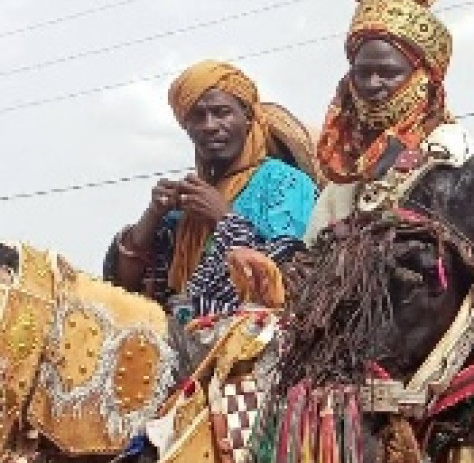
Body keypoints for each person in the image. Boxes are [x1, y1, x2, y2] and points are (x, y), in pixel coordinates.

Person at [105, 61, 319, 319]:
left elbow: (286, 275)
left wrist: (224, 218)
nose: (209, 125)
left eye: (222, 112)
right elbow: (124, 286)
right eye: (197, 116)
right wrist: (153, 215)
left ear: (248, 117)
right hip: (184, 348)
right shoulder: (188, 201)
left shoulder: (287, 183)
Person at [305, 0, 474, 241]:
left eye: (389, 73)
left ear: (423, 78)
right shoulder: (348, 169)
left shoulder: (452, 149)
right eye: (362, 73)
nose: (373, 84)